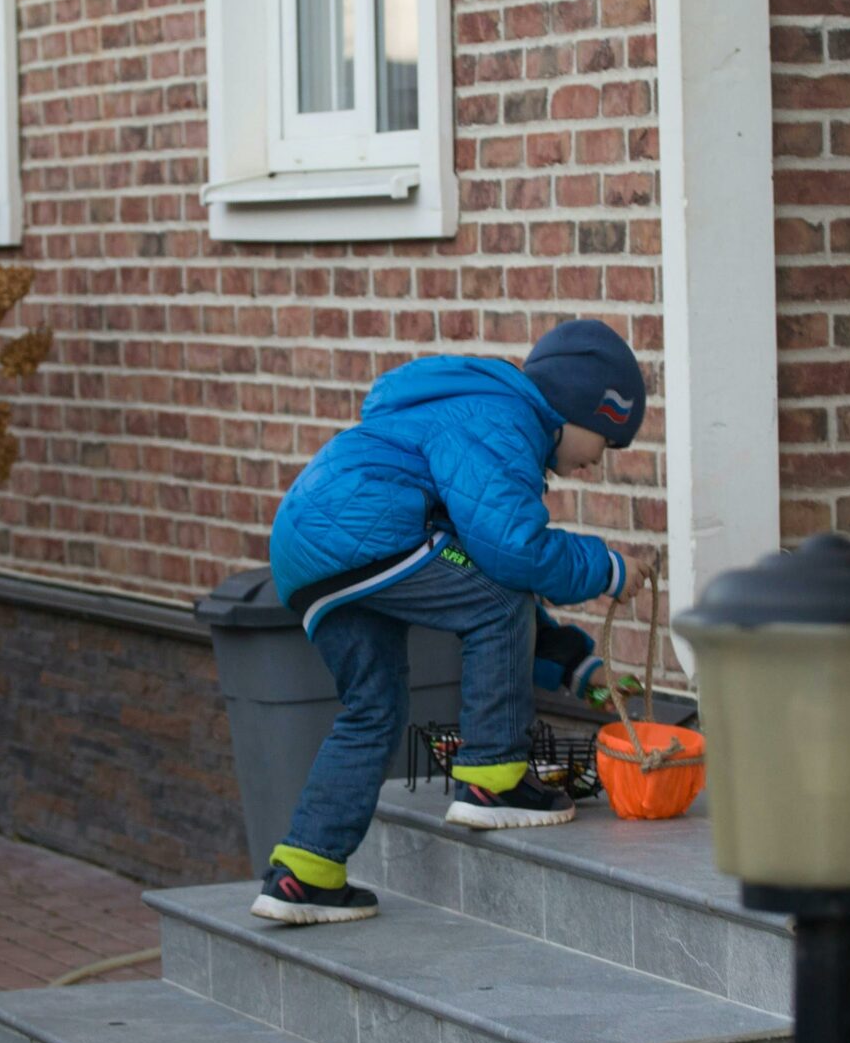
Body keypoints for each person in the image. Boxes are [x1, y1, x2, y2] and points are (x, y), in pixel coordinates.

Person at [257, 319, 648, 925]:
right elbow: (512, 557)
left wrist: (575, 664)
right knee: (496, 596)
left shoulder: (480, 412)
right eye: (607, 441)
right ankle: (492, 777)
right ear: (578, 408)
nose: (601, 462)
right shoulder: (504, 418)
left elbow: (486, 565)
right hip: (364, 527)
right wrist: (608, 569)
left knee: (374, 708)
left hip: (312, 549)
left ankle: (304, 872)